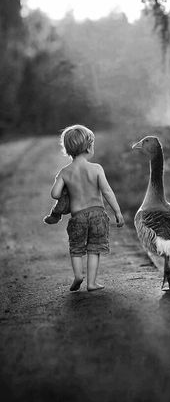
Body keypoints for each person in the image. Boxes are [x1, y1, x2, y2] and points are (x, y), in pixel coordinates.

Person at [49, 124, 124, 292]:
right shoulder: (96, 169)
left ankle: (78, 276)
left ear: (68, 149)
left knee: (76, 248)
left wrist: (59, 181)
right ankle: (92, 283)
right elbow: (107, 191)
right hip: (98, 215)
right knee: (94, 248)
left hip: (78, 217)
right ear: (89, 147)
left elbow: (55, 194)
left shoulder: (65, 171)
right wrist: (117, 211)